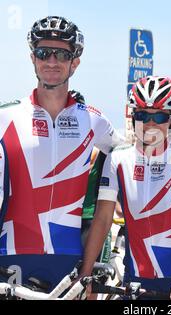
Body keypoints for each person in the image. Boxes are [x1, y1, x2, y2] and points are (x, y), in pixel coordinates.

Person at [0, 16, 124, 291]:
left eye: (62, 54)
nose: (52, 61)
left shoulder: (94, 121)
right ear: (33, 58)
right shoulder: (6, 116)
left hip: (69, 259)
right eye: (44, 53)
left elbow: (133, 156)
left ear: (75, 62)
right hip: (10, 254)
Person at [80, 76, 171, 299]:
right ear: (132, 116)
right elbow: (103, 219)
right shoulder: (117, 159)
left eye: (160, 116)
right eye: (142, 115)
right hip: (135, 278)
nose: (151, 123)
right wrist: (85, 273)